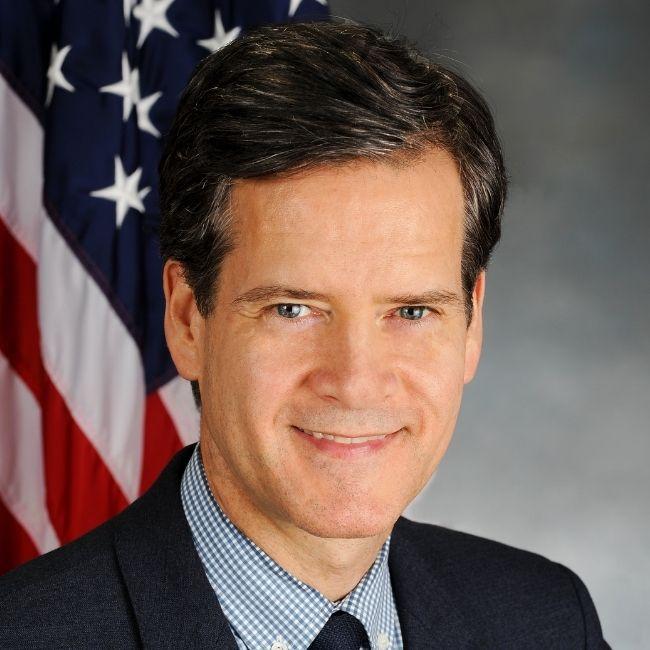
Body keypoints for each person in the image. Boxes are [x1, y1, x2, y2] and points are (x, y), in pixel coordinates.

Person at [0, 20, 609, 649]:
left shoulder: (547, 619)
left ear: (471, 322)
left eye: (411, 311)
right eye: (293, 309)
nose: (354, 380)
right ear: (188, 320)